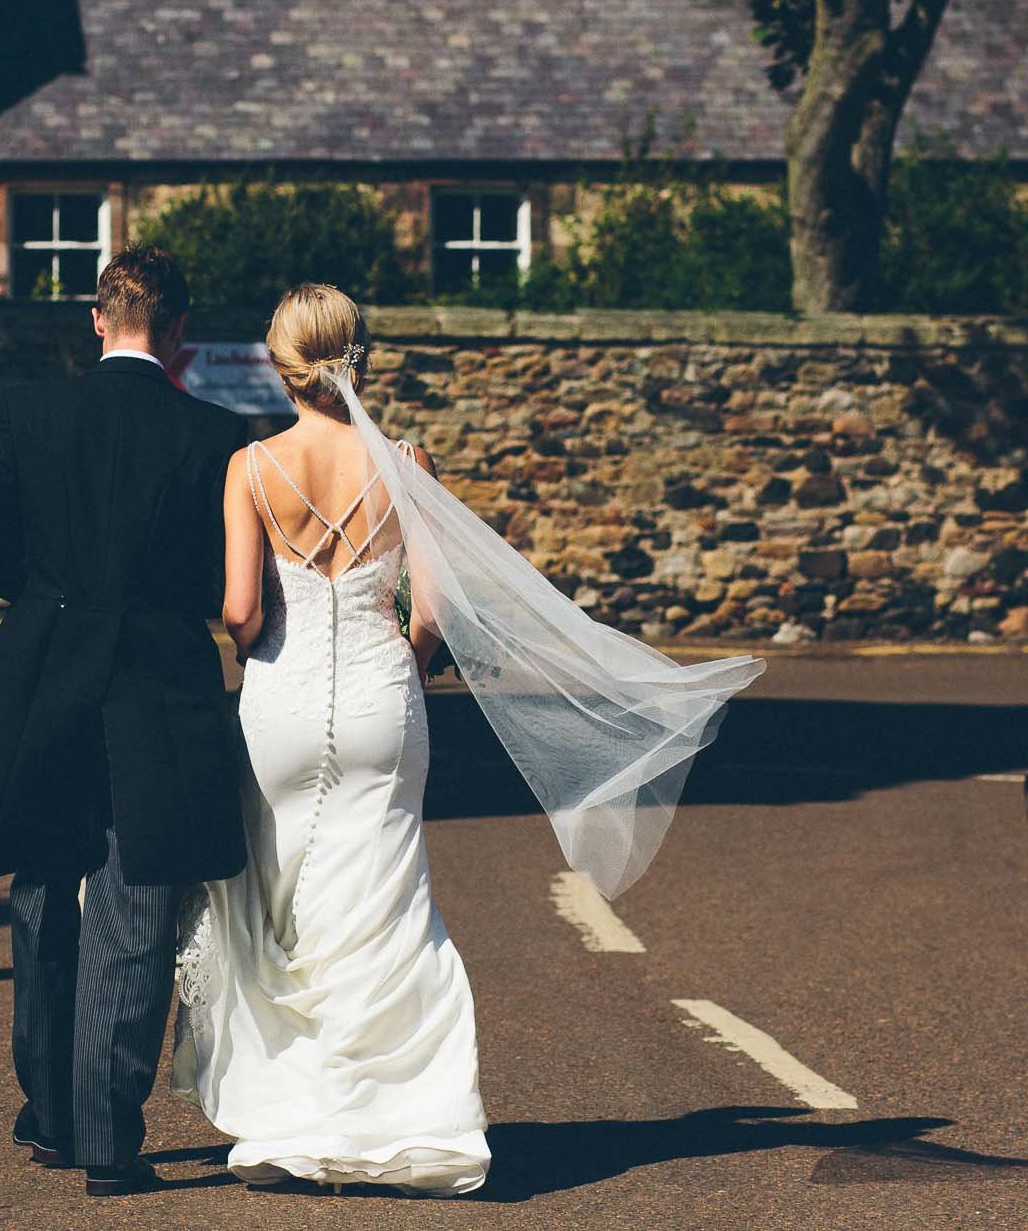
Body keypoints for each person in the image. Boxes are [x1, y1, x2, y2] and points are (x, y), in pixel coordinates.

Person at [170, 284, 765, 1194]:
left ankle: (287, 1123)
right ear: (358, 356)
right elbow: (437, 611)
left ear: (281, 366)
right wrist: (393, 655)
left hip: (281, 708)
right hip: (381, 701)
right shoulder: (406, 462)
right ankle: (404, 1123)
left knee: (282, 905)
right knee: (383, 906)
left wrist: (265, 648)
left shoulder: (250, 467)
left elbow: (243, 613)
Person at [0, 246, 249, 1197]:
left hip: (44, 670)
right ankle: (108, 1138)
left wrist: (45, 597)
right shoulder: (214, 432)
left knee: (43, 880)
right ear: (180, 332)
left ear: (97, 318)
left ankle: (49, 1105)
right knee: (137, 897)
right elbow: (216, 579)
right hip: (156, 683)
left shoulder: (31, 413)